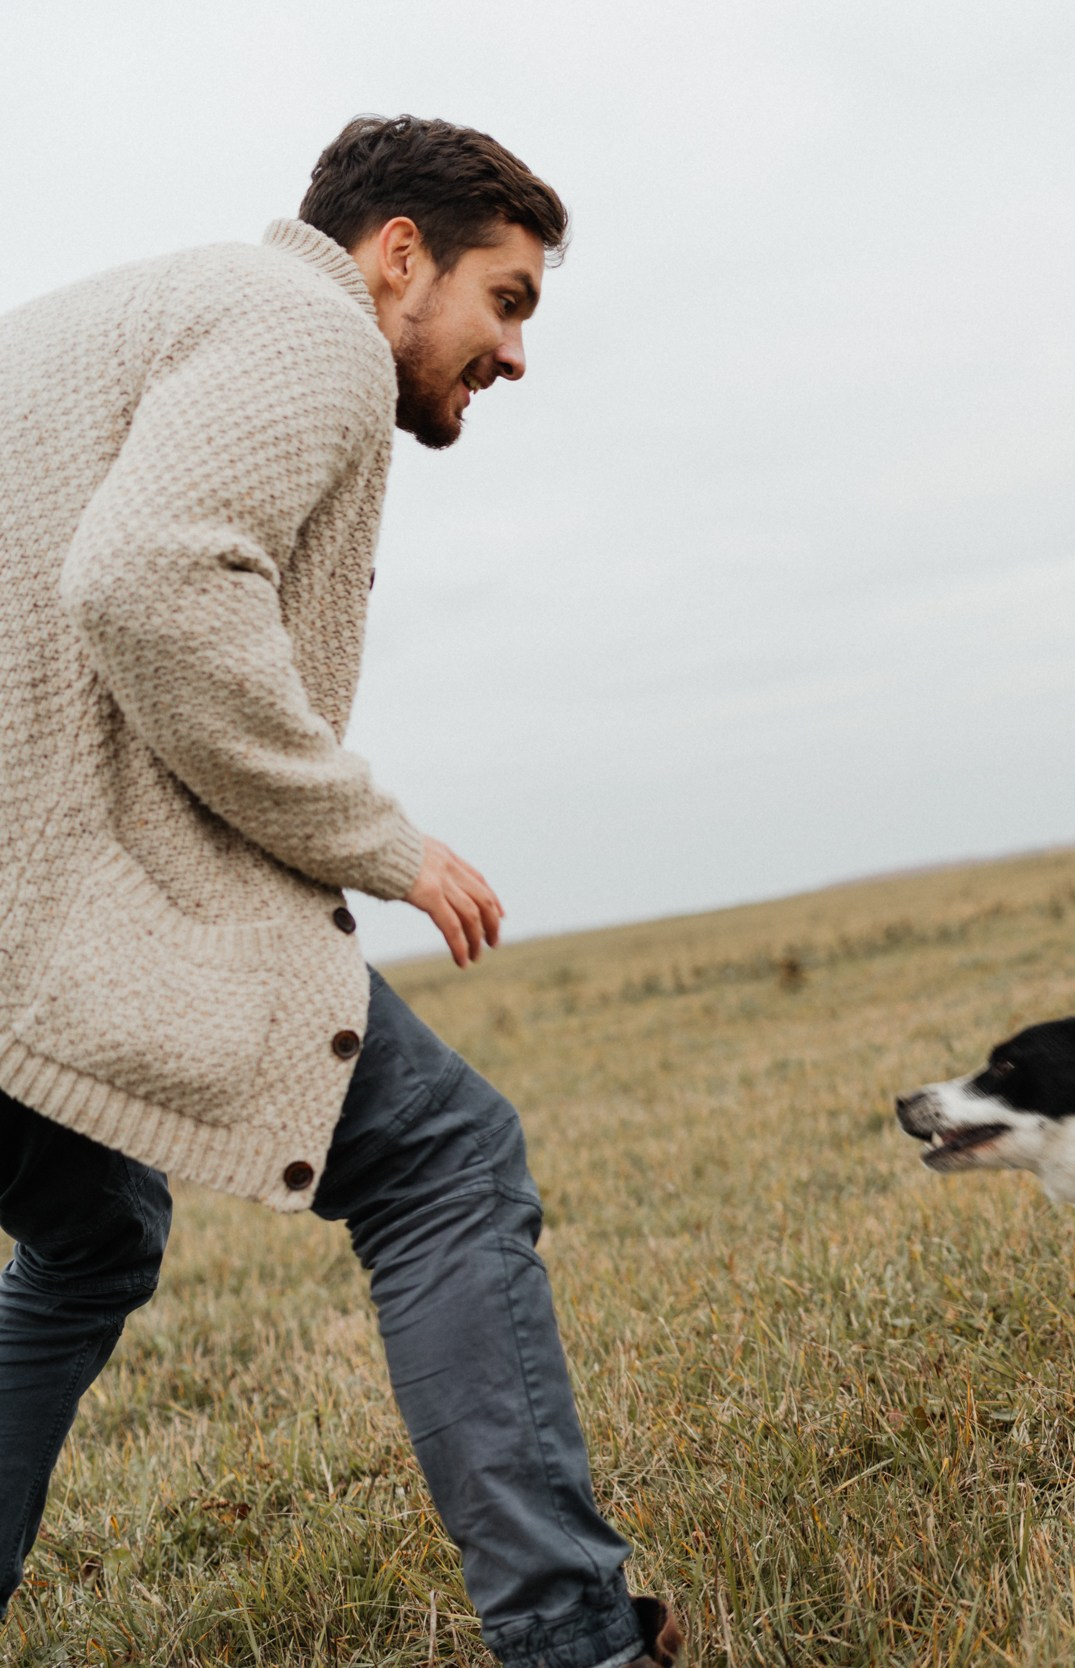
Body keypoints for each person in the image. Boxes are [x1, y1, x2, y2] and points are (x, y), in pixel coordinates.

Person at [0, 118, 681, 1668]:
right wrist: (371, 839)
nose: (512, 353)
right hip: (32, 912)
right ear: (397, 254)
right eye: (504, 300)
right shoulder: (301, 329)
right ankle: (575, 1645)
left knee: (95, 1230)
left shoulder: (127, 322)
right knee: (445, 1157)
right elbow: (150, 578)